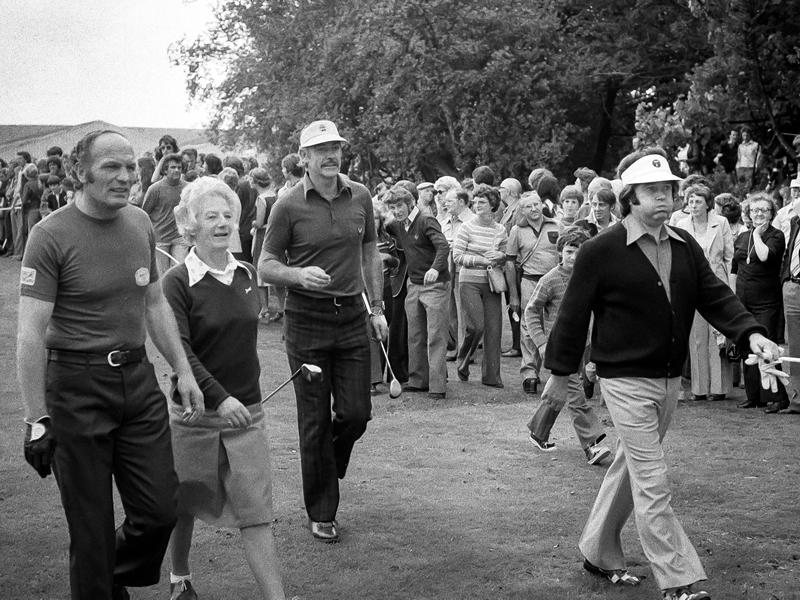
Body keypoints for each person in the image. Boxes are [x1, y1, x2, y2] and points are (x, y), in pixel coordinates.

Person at [542, 147, 779, 600]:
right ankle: (679, 578)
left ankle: (596, 549)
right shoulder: (599, 250)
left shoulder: (684, 244)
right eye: (653, 191)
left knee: (630, 466)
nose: (665, 198)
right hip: (623, 381)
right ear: (630, 196)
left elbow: (715, 296)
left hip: (669, 380)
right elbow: (571, 316)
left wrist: (751, 333)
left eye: (669, 189)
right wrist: (559, 372)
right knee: (653, 478)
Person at [17, 129, 204, 600]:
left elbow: (155, 302)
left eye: (130, 166)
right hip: (76, 388)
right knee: (90, 524)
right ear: (81, 173)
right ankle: (97, 578)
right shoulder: (50, 234)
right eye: (111, 167)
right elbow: (30, 333)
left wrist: (183, 369)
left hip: (137, 383)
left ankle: (105, 572)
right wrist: (36, 419)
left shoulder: (140, 222)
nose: (125, 177)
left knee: (161, 508)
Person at [259, 120, 387, 543]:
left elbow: (370, 250)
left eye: (335, 147)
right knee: (313, 420)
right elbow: (266, 264)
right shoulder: (287, 205)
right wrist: (296, 275)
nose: (331, 155)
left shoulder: (361, 196)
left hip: (352, 315)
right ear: (305, 158)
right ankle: (322, 511)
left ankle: (326, 465)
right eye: (321, 149)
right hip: (306, 321)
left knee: (356, 414)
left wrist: (378, 307)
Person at [163, 176, 290, 600]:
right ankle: (179, 577)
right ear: (190, 225)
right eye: (210, 215)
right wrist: (220, 397)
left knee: (256, 513)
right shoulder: (177, 282)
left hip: (247, 413)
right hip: (195, 415)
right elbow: (180, 352)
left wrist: (239, 399)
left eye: (228, 214)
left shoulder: (248, 274)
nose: (222, 222)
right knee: (184, 502)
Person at [524, 226, 612, 464]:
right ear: (560, 252)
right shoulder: (550, 279)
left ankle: (538, 432)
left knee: (558, 393)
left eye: (579, 252)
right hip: (560, 349)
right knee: (575, 396)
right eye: (569, 251)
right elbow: (531, 311)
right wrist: (542, 343)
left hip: (583, 346)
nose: (573, 257)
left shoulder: (590, 279)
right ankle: (593, 445)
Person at [384, 186, 450, 398]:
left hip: (435, 285)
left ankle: (437, 386)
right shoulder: (397, 224)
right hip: (413, 285)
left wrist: (434, 268)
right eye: (392, 207)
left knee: (435, 337)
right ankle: (418, 380)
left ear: (410, 203)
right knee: (415, 335)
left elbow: (443, 247)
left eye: (400, 206)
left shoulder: (426, 220)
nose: (396, 211)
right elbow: (380, 225)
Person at [673, 184, 735, 401]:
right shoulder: (680, 224)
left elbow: (729, 257)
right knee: (697, 337)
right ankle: (699, 389)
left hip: (718, 284)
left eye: (698, 201)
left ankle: (719, 388)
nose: (693, 204)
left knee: (718, 335)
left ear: (708, 204)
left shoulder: (722, 223)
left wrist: (731, 288)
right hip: (691, 286)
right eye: (690, 200)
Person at [732, 193, 789, 411]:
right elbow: (734, 269)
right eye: (755, 210)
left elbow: (764, 256)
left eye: (764, 210)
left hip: (766, 302)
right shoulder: (741, 237)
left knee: (767, 348)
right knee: (748, 348)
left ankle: (776, 398)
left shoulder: (776, 236)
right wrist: (732, 295)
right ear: (748, 212)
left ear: (772, 213)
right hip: (743, 300)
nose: (759, 214)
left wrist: (757, 233)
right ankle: (753, 395)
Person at [452, 185, 511, 388]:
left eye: (482, 202)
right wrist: (482, 261)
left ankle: (491, 377)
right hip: (469, 282)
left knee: (494, 331)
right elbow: (457, 256)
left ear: (493, 204)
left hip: (492, 283)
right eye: (475, 202)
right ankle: (463, 360)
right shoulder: (466, 227)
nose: (477, 205)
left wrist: (501, 257)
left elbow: (505, 256)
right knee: (476, 326)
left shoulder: (501, 230)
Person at [505, 191, 560, 393]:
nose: (534, 209)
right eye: (528, 206)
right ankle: (529, 374)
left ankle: (557, 371)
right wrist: (513, 294)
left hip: (554, 281)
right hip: (530, 281)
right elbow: (509, 262)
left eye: (536, 204)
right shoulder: (517, 231)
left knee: (555, 325)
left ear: (542, 205)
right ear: (522, 209)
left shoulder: (556, 225)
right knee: (528, 327)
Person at [141, 152, 189, 274]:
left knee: (179, 270)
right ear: (165, 170)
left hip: (179, 237)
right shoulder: (155, 189)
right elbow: (144, 213)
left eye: (179, 167)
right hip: (160, 238)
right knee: (162, 273)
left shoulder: (188, 188)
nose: (177, 170)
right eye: (173, 167)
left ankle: (177, 292)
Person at [778, 183, 800, 414]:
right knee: (794, 348)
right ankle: (797, 400)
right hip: (792, 287)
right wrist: (785, 279)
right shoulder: (794, 223)